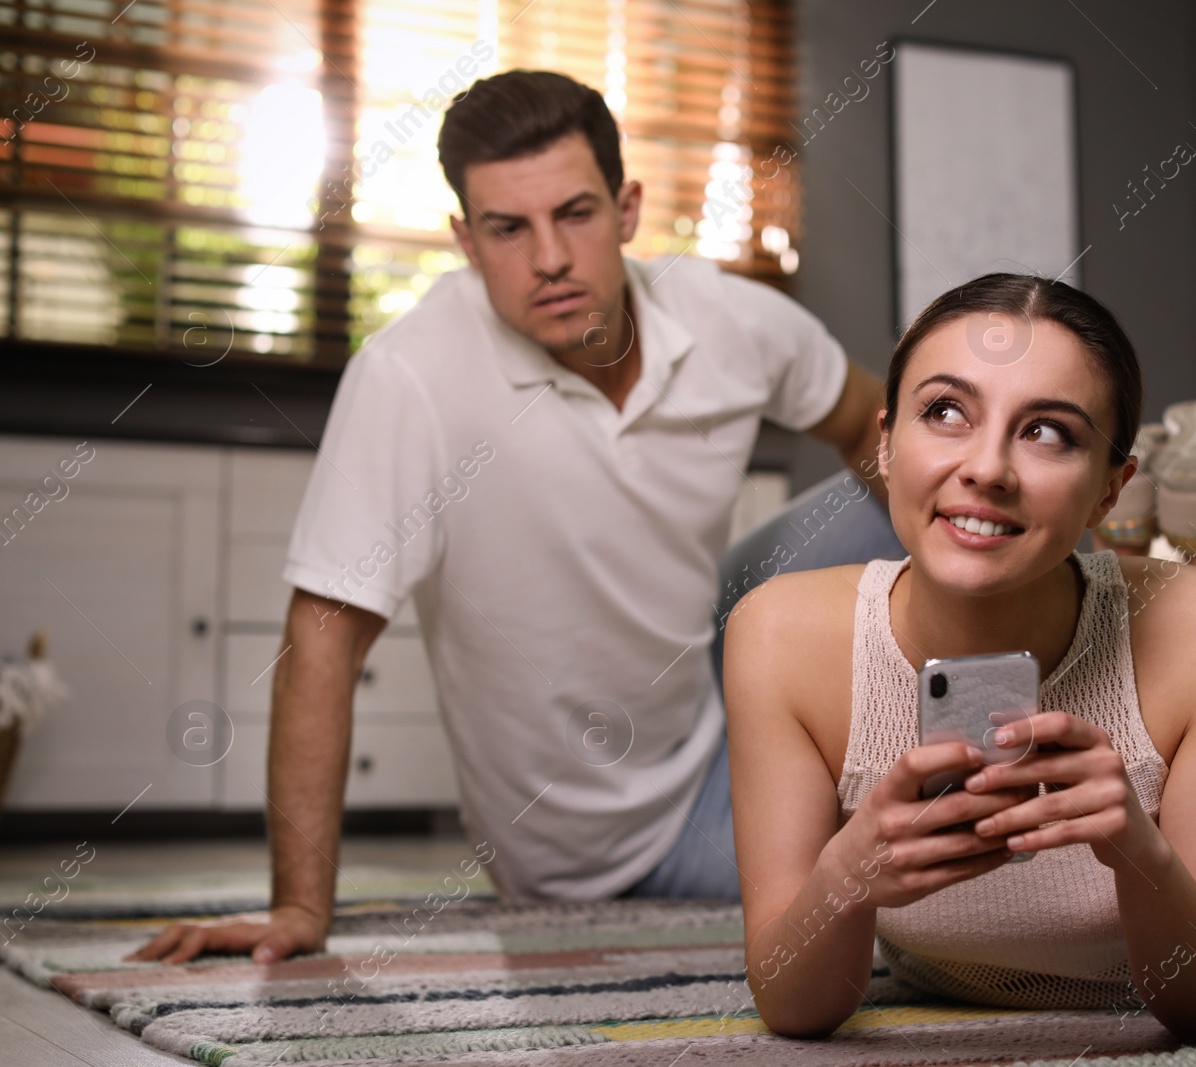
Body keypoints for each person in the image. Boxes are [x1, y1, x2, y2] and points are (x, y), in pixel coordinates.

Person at [130, 70, 887, 965]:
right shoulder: (411, 378)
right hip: (620, 846)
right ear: (465, 239)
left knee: (924, 488)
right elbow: (322, 638)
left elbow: (872, 430)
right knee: (907, 883)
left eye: (576, 214)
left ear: (629, 207)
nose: (551, 258)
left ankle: (1076, 673)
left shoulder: (731, 320)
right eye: (508, 229)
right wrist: (300, 905)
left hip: (714, 674)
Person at [723, 274, 1196, 1042]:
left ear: (1105, 491)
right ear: (884, 444)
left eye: (1048, 431)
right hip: (949, 972)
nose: (987, 469)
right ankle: (1170, 537)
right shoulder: (780, 634)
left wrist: (1137, 848)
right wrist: (845, 875)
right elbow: (795, 1004)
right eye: (946, 411)